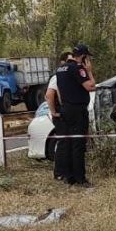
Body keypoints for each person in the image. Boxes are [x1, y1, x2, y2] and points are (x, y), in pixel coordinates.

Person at [54, 44, 96, 187]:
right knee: (78, 144)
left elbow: (59, 91)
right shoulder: (78, 68)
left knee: (68, 144)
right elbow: (90, 86)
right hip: (78, 110)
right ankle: (80, 178)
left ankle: (69, 176)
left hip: (66, 109)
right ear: (83, 57)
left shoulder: (60, 69)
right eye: (87, 57)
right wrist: (89, 72)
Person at [45, 52, 73, 181]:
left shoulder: (70, 76)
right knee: (63, 143)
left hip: (67, 114)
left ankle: (67, 170)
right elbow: (49, 95)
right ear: (62, 62)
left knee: (68, 143)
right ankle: (59, 172)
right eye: (69, 61)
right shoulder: (57, 77)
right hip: (60, 114)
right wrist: (54, 112)